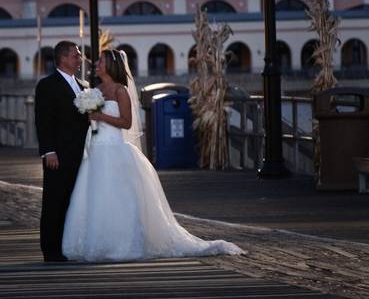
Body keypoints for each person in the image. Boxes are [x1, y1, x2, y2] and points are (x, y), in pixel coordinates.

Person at [61, 49, 243, 262]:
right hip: (97, 150)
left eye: (100, 61)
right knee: (95, 197)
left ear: (111, 65)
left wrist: (99, 115)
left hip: (114, 150)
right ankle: (96, 243)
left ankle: (123, 244)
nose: (96, 64)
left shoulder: (120, 91)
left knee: (118, 198)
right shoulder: (96, 89)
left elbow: (126, 123)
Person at [34, 40, 90, 262]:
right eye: (76, 55)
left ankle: (68, 245)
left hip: (81, 154)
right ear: (63, 58)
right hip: (58, 154)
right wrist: (48, 151)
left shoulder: (83, 86)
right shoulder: (47, 85)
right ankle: (51, 249)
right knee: (54, 201)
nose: (79, 59)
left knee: (73, 201)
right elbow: (43, 121)